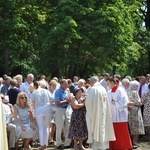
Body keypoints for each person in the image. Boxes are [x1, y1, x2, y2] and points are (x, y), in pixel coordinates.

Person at [85, 76, 115, 150]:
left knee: (96, 128)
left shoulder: (92, 89)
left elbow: (88, 103)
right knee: (103, 128)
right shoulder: (103, 89)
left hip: (95, 113)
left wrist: (85, 99)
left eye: (90, 82)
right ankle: (104, 146)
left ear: (92, 81)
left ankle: (96, 147)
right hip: (103, 113)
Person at [107, 77, 133, 150]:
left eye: (108, 83)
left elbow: (125, 101)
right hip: (112, 115)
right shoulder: (109, 92)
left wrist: (115, 103)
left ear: (112, 83)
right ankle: (114, 146)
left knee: (121, 132)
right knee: (114, 131)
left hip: (120, 115)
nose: (107, 85)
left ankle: (123, 146)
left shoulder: (120, 90)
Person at [30, 81, 53, 150]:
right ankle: (45, 143)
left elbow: (33, 103)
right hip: (47, 109)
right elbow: (51, 99)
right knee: (46, 127)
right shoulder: (46, 91)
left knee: (41, 128)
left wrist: (35, 109)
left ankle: (42, 144)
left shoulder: (34, 93)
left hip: (39, 110)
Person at [54, 79, 71, 149]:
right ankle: (58, 143)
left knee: (68, 126)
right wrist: (66, 101)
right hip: (60, 110)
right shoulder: (57, 92)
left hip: (66, 109)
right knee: (59, 127)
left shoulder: (67, 91)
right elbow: (57, 102)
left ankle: (67, 143)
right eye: (65, 84)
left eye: (67, 84)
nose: (67, 85)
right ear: (61, 84)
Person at [127, 80, 145, 147]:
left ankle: (131, 142)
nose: (137, 87)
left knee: (131, 125)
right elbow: (138, 102)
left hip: (130, 111)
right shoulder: (135, 92)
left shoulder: (128, 92)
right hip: (136, 111)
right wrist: (139, 103)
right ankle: (135, 142)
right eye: (136, 86)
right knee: (137, 126)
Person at [48, 80, 57, 144]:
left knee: (53, 124)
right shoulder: (47, 92)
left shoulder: (55, 92)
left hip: (55, 110)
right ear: (50, 86)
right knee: (50, 124)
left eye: (55, 86)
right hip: (49, 110)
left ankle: (51, 137)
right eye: (53, 86)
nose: (54, 87)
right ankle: (49, 138)